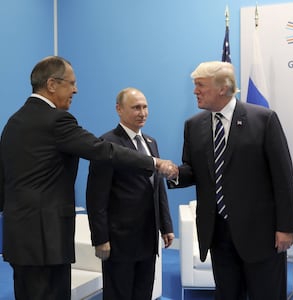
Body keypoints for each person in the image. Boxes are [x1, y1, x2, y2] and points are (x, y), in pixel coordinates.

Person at [0, 56, 178, 300]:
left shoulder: (13, 122)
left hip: (19, 236)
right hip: (47, 238)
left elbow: (5, 178)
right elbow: (102, 150)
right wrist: (153, 162)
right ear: (52, 84)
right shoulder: (57, 121)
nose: (75, 89)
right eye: (71, 83)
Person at [169, 61, 293, 300]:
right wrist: (173, 172)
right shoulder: (193, 126)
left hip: (261, 235)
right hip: (218, 234)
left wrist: (286, 227)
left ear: (222, 88)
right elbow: (194, 172)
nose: (195, 91)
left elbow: (283, 178)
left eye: (200, 85)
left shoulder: (263, 119)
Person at [86, 87, 175, 300]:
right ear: (119, 109)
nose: (142, 112)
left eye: (145, 107)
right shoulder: (106, 144)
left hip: (147, 238)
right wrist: (100, 238)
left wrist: (166, 225)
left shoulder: (151, 142)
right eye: (136, 107)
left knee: (143, 293)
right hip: (119, 241)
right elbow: (96, 196)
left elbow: (157, 187)